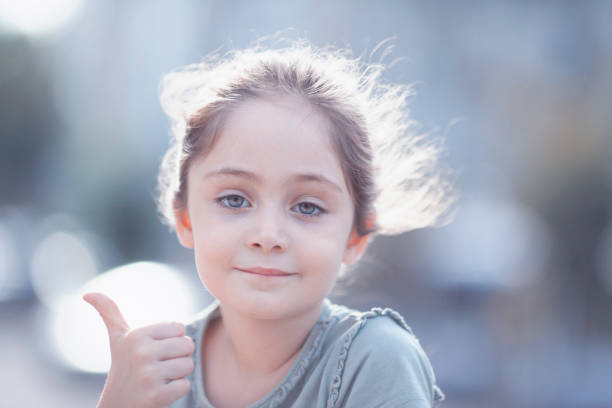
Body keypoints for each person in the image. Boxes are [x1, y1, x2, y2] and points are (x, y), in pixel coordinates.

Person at [84, 38, 454, 408]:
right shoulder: (157, 377)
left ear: (355, 236)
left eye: (308, 207)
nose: (268, 236)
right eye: (234, 200)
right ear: (185, 219)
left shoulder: (374, 360)